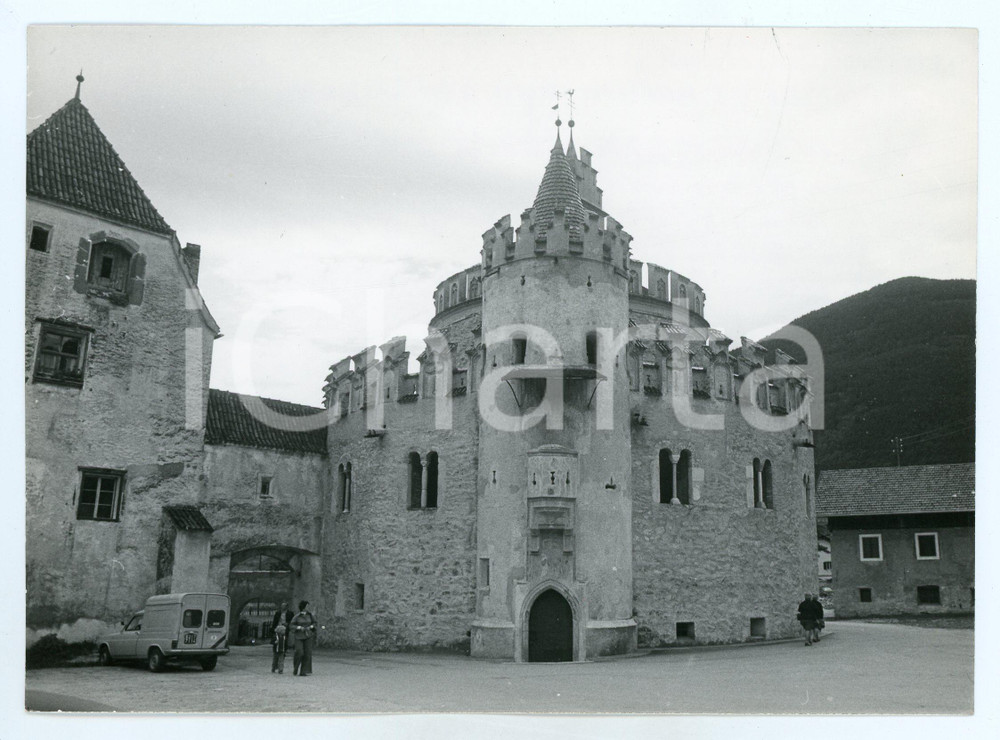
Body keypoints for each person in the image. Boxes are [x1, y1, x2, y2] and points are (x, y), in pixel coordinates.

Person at [290, 600, 317, 676]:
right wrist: (299, 627)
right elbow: (291, 625)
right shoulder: (297, 616)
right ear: (304, 607)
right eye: (307, 606)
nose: (309, 607)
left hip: (308, 635)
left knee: (307, 653)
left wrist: (311, 627)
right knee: (299, 652)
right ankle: (296, 667)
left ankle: (303, 671)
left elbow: (315, 623)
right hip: (299, 636)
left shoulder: (310, 615)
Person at [271, 601, 293, 674]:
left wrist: (287, 624)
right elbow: (274, 622)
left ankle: (280, 666)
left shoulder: (290, 613)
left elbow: (292, 622)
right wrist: (273, 630)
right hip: (277, 629)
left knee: (283, 648)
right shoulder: (278, 613)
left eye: (284, 606)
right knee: (276, 648)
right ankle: (275, 666)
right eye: (281, 606)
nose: (282, 607)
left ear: (287, 607)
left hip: (285, 630)